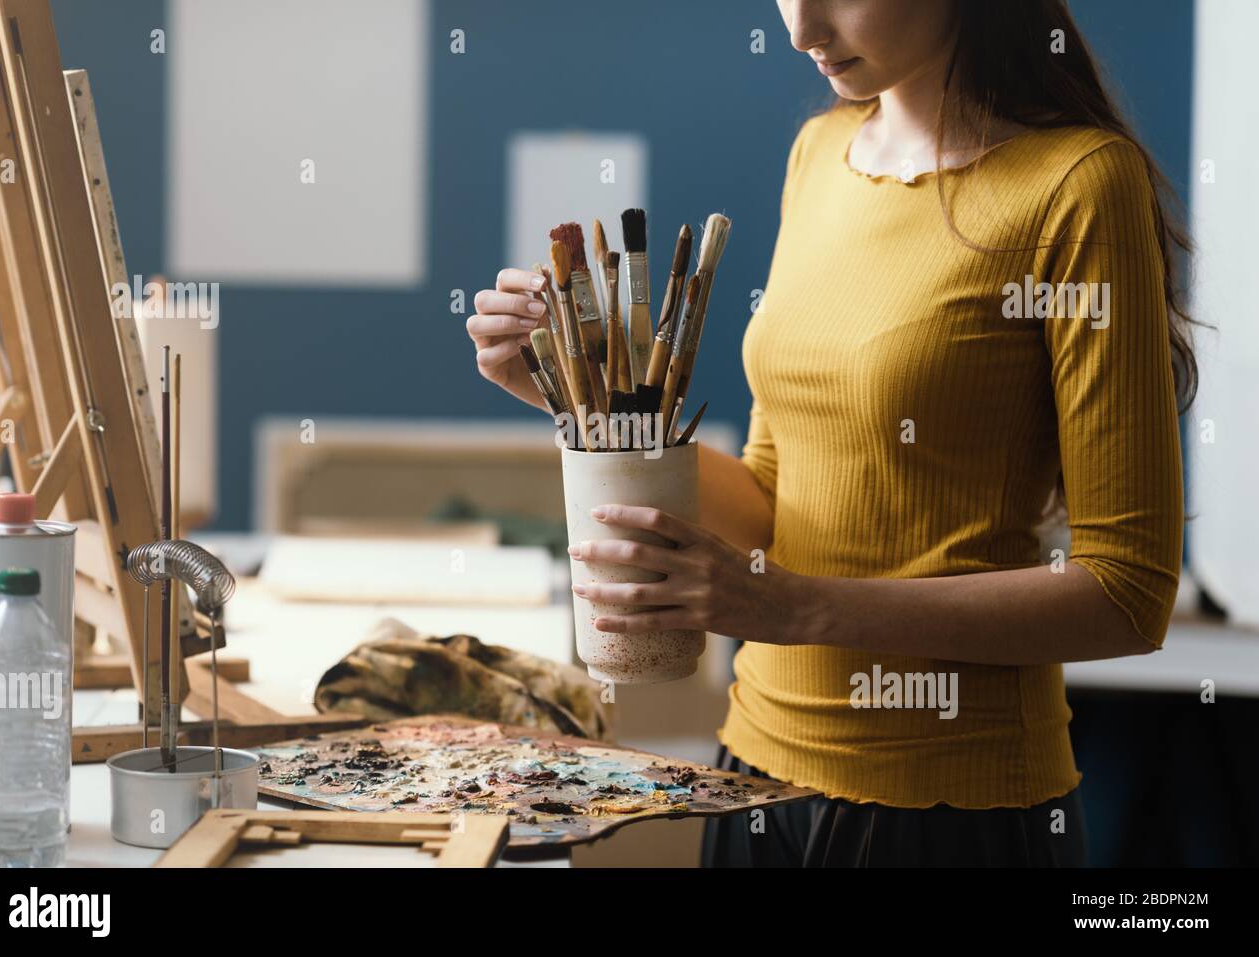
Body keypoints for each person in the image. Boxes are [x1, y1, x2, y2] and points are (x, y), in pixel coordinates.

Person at [466, 0, 1196, 867]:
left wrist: (792, 606)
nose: (800, 29)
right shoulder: (821, 153)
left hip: (946, 808)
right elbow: (774, 499)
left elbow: (1127, 592)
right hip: (754, 777)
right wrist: (573, 404)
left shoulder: (1078, 184)